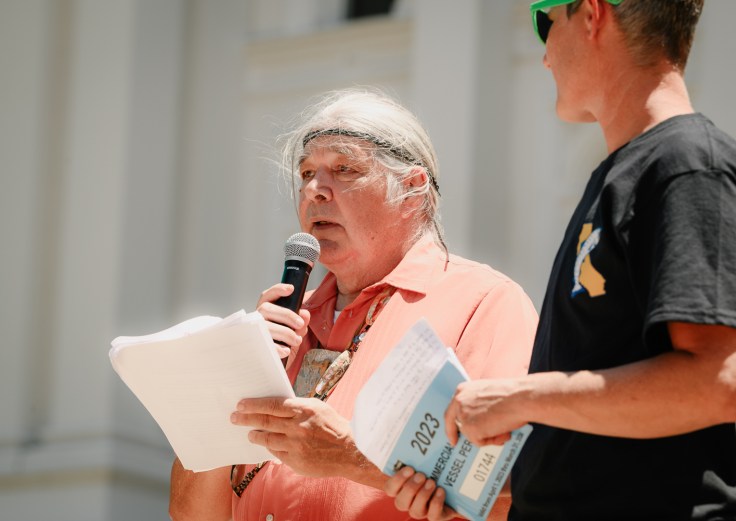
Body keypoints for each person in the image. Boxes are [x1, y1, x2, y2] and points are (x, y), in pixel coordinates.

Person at [386, 1, 736, 520]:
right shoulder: (625, 173)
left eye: (543, 20)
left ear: (591, 14)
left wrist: (520, 396)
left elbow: (719, 383)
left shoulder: (690, 167)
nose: (543, 53)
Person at [168, 88, 539, 521]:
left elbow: (511, 490)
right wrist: (234, 378)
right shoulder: (280, 325)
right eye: (306, 172)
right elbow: (192, 514)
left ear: (412, 190)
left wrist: (351, 455)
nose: (314, 190)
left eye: (344, 169)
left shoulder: (483, 302)